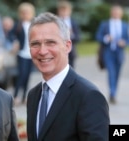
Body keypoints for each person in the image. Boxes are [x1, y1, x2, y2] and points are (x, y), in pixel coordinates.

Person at [26, 12, 109, 141]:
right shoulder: (33, 95)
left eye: (50, 42)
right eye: (35, 44)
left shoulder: (88, 96)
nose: (42, 51)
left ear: (67, 46)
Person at [96, 5, 129, 104]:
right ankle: (112, 93)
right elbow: (98, 36)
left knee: (117, 74)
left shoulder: (125, 25)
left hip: (119, 53)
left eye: (118, 12)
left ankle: (114, 91)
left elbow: (127, 39)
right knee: (111, 73)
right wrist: (106, 38)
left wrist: (124, 42)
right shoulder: (105, 24)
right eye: (114, 12)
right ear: (111, 13)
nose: (116, 14)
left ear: (121, 14)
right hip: (108, 52)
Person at [12, 2, 35, 104]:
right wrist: (15, 42)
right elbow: (11, 35)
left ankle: (25, 96)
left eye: (28, 12)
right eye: (23, 13)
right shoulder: (18, 25)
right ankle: (16, 95)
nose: (25, 15)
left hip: (31, 54)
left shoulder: (33, 25)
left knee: (28, 76)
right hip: (22, 54)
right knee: (21, 74)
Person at [57, 1, 80, 68]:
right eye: (62, 10)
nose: (64, 12)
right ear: (59, 11)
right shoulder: (55, 22)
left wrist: (72, 34)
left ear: (70, 11)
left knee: (71, 69)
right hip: (59, 50)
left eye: (66, 10)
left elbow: (78, 37)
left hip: (71, 51)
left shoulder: (73, 22)